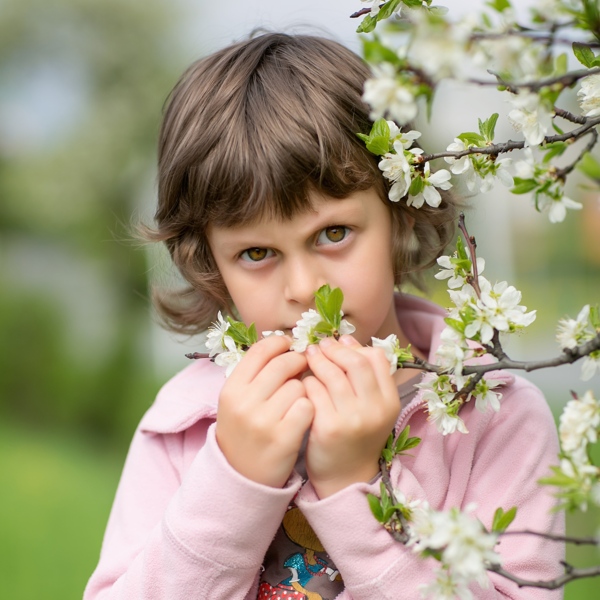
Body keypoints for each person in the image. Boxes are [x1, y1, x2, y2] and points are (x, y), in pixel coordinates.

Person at [84, 33, 564, 599]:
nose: (305, 289)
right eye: (256, 254)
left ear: (402, 216)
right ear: (211, 264)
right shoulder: (187, 425)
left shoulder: (494, 416)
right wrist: (234, 480)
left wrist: (354, 486)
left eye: (333, 234)